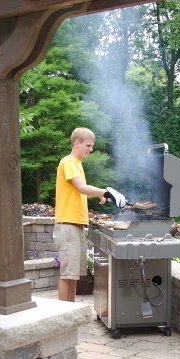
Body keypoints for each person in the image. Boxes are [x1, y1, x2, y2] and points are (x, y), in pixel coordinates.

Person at [55, 127, 126, 302]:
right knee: (67, 275)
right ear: (76, 143)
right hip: (68, 225)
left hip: (76, 225)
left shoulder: (77, 164)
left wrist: (101, 195)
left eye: (92, 146)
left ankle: (69, 312)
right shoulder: (69, 161)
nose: (91, 149)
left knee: (73, 276)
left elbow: (81, 192)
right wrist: (106, 192)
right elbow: (81, 187)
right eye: (88, 145)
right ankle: (63, 316)